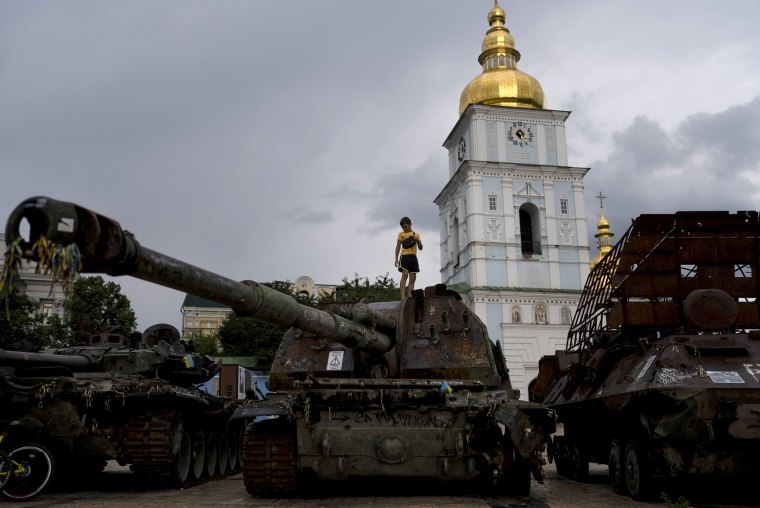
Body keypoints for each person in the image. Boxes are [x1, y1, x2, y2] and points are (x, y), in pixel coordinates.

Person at [395, 216, 422, 299]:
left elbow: (420, 247)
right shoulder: (401, 234)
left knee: (413, 278)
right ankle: (402, 297)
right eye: (402, 227)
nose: (404, 228)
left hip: (413, 257)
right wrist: (396, 258)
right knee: (405, 275)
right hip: (404, 257)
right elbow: (398, 246)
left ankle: (410, 296)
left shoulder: (416, 234)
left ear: (410, 224)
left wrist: (418, 241)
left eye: (405, 226)